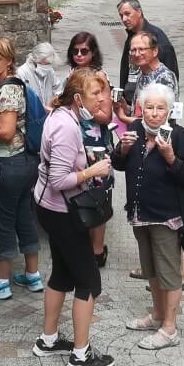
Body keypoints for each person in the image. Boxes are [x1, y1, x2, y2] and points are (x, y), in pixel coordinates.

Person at [31, 68, 115, 366]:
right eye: (95, 93)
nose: (101, 99)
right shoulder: (67, 126)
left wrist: (83, 162)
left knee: (62, 274)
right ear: (78, 98)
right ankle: (81, 355)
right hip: (62, 212)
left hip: (49, 208)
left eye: (102, 92)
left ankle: (48, 340)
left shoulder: (61, 115)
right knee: (88, 282)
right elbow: (58, 180)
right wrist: (92, 171)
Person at [112, 82, 184, 351]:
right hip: (140, 213)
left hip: (166, 217)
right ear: (141, 108)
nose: (154, 113)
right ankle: (158, 315)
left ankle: (170, 328)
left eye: (160, 108)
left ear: (169, 110)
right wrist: (122, 150)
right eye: (149, 107)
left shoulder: (179, 136)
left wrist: (171, 157)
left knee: (169, 273)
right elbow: (117, 163)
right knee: (150, 269)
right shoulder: (135, 130)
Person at [0, 38, 42, 300]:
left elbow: (6, 131)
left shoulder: (8, 89)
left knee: (3, 222)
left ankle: (1, 283)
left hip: (9, 164)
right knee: (24, 218)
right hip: (24, 164)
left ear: (10, 61)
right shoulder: (8, 85)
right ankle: (33, 276)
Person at [78, 70, 116, 269]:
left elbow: (107, 116)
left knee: (100, 195)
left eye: (84, 53)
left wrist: (84, 108)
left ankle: (97, 251)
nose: (79, 56)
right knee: (80, 195)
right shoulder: (72, 78)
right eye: (75, 53)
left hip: (99, 147)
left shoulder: (101, 78)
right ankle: (84, 249)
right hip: (79, 148)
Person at [117, 0, 179, 108]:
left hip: (152, 109)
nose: (124, 19)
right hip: (132, 104)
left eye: (127, 14)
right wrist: (122, 96)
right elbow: (125, 68)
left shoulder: (160, 41)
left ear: (139, 12)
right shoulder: (131, 35)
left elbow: (172, 81)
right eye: (121, 16)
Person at [116, 31, 179, 124]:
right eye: (133, 50)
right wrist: (126, 108)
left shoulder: (164, 78)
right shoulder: (143, 74)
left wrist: (123, 117)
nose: (137, 54)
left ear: (155, 51)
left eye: (141, 49)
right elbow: (140, 113)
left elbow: (156, 121)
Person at [17, 42, 59, 113]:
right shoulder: (22, 73)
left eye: (48, 64)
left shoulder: (50, 71)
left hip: (49, 113)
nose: (46, 67)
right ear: (35, 59)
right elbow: (22, 101)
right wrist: (43, 108)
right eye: (44, 63)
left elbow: (57, 90)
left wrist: (54, 101)